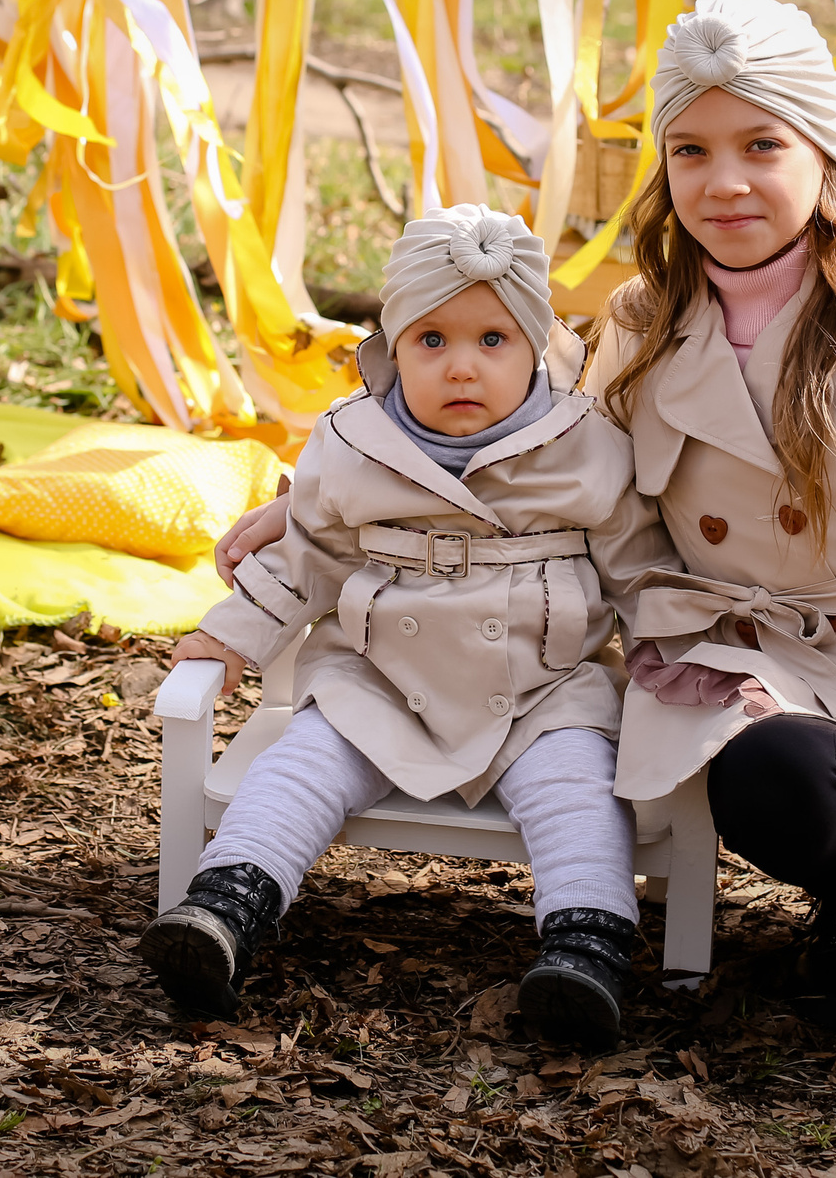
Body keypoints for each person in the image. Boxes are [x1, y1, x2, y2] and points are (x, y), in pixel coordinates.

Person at [217, 0, 836, 1032]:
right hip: (750, 671)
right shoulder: (645, 319)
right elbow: (534, 450)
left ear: (823, 149)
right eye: (690, 150)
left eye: (760, 144)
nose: (723, 182)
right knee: (772, 776)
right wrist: (321, 499)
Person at [147, 205, 679, 1048]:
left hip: (541, 688)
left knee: (578, 786)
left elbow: (640, 568)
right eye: (430, 341)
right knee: (303, 764)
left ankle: (587, 946)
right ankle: (225, 904)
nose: (460, 366)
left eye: (492, 341)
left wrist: (670, 655)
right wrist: (230, 635)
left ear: (538, 347)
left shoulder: (587, 445)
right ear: (391, 350)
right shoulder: (352, 441)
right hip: (382, 678)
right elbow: (303, 556)